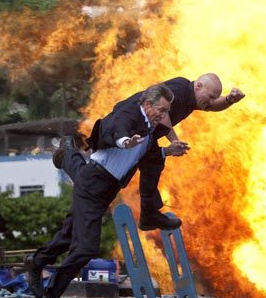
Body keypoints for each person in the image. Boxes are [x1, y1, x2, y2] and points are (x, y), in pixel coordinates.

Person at [29, 83, 187, 298]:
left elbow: (144, 157)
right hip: (94, 184)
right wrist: (125, 141)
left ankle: (36, 261)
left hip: (104, 189)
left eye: (167, 111)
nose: (165, 116)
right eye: (162, 110)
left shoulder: (149, 130)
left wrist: (168, 151)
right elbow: (116, 129)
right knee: (85, 248)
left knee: (67, 237)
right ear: (147, 104)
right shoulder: (131, 114)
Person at [55, 73, 245, 228]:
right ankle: (68, 156)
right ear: (198, 86)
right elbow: (161, 113)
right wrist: (174, 140)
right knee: (96, 177)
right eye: (210, 97)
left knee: (150, 165)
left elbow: (213, 107)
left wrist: (229, 100)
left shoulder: (194, 99)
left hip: (143, 135)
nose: (211, 102)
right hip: (128, 129)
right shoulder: (179, 88)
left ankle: (149, 215)